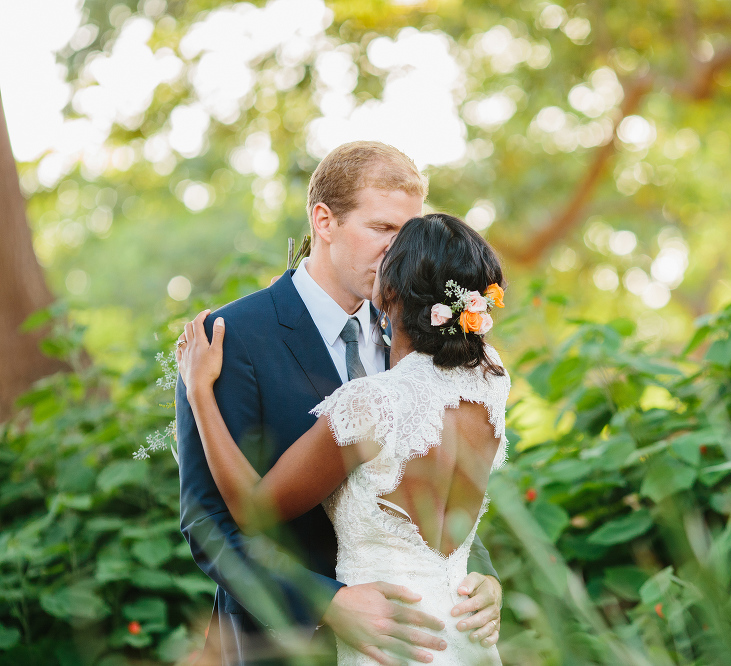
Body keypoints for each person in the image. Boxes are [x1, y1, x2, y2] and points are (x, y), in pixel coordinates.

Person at [175, 143, 502, 665]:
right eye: (383, 230)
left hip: (423, 639)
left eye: (409, 232)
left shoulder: (420, 336)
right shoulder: (232, 337)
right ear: (324, 221)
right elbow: (208, 521)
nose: (400, 253)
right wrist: (325, 603)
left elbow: (436, 484)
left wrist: (480, 577)